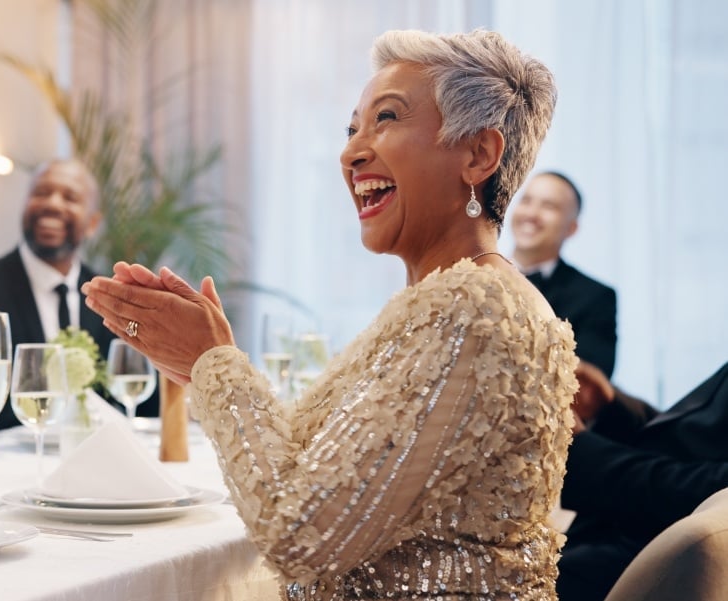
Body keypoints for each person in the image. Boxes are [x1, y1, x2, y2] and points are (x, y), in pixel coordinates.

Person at [84, 29, 576, 600]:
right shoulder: (455, 298)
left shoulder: (473, 309)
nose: (351, 152)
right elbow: (314, 466)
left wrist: (212, 364)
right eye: (351, 129)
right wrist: (201, 366)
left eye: (386, 119)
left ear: (477, 155)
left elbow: (301, 536)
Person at [0, 158, 157, 443]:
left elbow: (147, 407)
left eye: (70, 197)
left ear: (92, 223)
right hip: (10, 464)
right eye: (41, 192)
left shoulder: (112, 295)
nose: (52, 203)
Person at [557, 360, 728, 600]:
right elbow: (694, 442)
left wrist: (580, 447)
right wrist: (611, 408)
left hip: (646, 560)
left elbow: (704, 491)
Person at [511, 171, 618, 377]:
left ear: (572, 228)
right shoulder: (476, 273)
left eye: (549, 206)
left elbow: (590, 385)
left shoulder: (596, 297)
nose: (532, 214)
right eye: (526, 201)